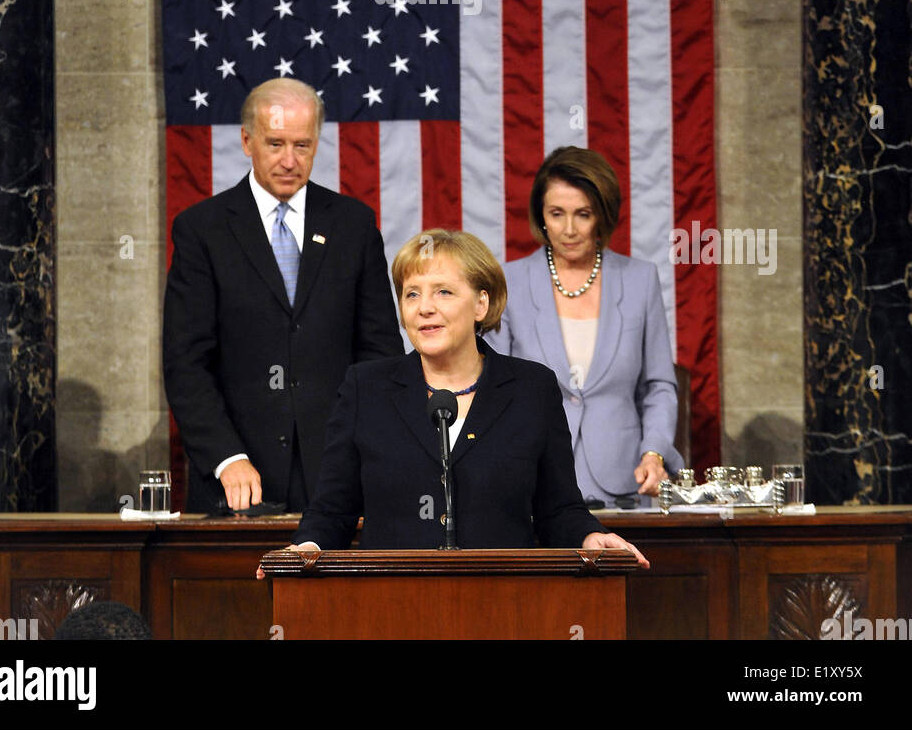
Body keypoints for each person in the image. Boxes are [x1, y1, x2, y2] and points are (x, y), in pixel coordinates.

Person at [273, 229, 648, 561]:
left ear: (481, 304)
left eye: (444, 292)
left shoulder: (531, 389)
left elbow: (557, 508)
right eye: (412, 294)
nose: (424, 308)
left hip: (505, 608)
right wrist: (307, 548)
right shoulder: (366, 388)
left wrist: (590, 535)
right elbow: (331, 511)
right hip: (391, 608)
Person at [163, 77, 403, 514]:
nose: (289, 161)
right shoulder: (203, 230)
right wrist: (226, 457)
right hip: (236, 482)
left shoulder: (354, 226)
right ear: (247, 140)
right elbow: (186, 362)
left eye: (303, 145)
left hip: (340, 478)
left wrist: (364, 452)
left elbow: (379, 355)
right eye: (275, 144)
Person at [489, 146, 681, 506]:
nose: (569, 229)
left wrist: (654, 452)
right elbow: (494, 388)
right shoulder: (509, 281)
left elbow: (659, 386)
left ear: (602, 216)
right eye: (557, 214)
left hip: (626, 485)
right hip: (533, 482)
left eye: (583, 214)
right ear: (540, 216)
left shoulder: (640, 280)